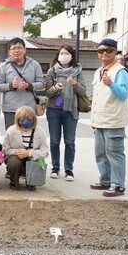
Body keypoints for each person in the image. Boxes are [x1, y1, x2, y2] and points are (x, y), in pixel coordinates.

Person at [90, 39, 128, 197]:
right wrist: (94, 120)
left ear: (115, 52)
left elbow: (122, 94)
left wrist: (112, 84)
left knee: (115, 154)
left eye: (108, 50)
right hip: (100, 121)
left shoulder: (120, 71)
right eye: (101, 51)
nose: (104, 53)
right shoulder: (98, 71)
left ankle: (118, 185)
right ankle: (105, 180)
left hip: (114, 121)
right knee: (100, 153)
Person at [45, 45, 86, 182]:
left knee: (70, 142)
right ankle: (55, 168)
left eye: (66, 53)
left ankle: (69, 169)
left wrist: (74, 83)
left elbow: (83, 91)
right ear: (58, 55)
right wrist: (55, 88)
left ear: (72, 56)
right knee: (54, 141)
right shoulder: (52, 71)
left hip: (71, 111)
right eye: (61, 53)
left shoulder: (77, 71)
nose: (64, 55)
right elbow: (48, 93)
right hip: (54, 110)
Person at [0, 37, 45, 130]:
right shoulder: (3, 66)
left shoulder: (34, 64)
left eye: (19, 48)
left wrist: (29, 86)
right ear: (9, 52)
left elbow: (42, 83)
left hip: (29, 108)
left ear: (24, 50)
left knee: (28, 137)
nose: (17, 50)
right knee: (11, 137)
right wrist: (11, 85)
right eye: (13, 48)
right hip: (10, 109)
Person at [2, 106, 49, 191]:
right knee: (14, 162)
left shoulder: (40, 131)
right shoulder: (11, 130)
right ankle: (14, 182)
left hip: (32, 156)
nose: (25, 120)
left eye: (29, 118)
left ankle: (32, 182)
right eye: (22, 118)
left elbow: (45, 151)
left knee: (37, 160)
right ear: (17, 119)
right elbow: (5, 150)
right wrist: (19, 152)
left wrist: (29, 153)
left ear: (33, 118)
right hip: (16, 156)